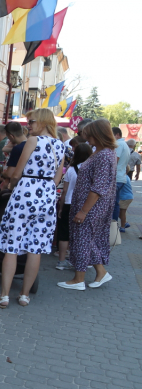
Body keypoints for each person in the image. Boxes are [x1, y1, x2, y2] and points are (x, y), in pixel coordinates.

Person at [0, 109, 65, 308]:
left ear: (42, 121)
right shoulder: (60, 145)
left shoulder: (33, 141)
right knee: (36, 248)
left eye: (31, 121)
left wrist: (11, 185)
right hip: (47, 195)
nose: (28, 125)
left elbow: (17, 172)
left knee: (12, 245)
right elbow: (58, 178)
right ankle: (24, 295)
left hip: (26, 192)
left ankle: (4, 295)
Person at [58, 119, 117, 290]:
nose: (84, 136)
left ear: (97, 134)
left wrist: (84, 211)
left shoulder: (103, 155)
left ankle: (79, 279)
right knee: (87, 239)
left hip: (92, 206)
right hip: (91, 205)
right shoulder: (103, 152)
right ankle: (100, 272)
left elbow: (98, 187)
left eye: (88, 133)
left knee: (84, 239)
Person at [55, 143, 92, 270]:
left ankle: (61, 261)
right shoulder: (91, 169)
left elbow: (64, 191)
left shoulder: (70, 169)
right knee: (81, 233)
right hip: (84, 204)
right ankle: (81, 260)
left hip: (69, 202)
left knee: (64, 232)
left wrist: (61, 207)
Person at [112, 127, 131, 222]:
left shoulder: (119, 144)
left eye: (112, 135)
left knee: (113, 204)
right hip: (121, 178)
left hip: (116, 178)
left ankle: (113, 224)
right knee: (115, 203)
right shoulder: (125, 144)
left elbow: (115, 160)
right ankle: (114, 224)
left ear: (117, 135)